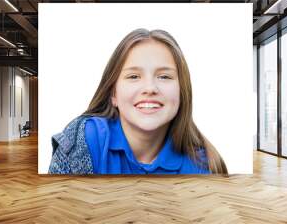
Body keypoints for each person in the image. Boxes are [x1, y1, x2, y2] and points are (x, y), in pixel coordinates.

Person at [48, 28, 228, 175]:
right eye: (134, 76)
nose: (149, 88)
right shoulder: (83, 139)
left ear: (182, 92)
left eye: (164, 76)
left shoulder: (206, 167)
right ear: (113, 94)